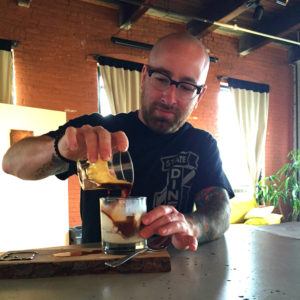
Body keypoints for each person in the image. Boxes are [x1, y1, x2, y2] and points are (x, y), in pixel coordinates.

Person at [2, 32, 234, 251]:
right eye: (162, 79)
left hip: (174, 275)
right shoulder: (96, 130)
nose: (169, 98)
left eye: (186, 87)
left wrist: (191, 224)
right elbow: (12, 163)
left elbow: (220, 211)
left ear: (199, 95)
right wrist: (60, 150)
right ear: (144, 76)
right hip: (100, 274)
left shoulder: (202, 145)